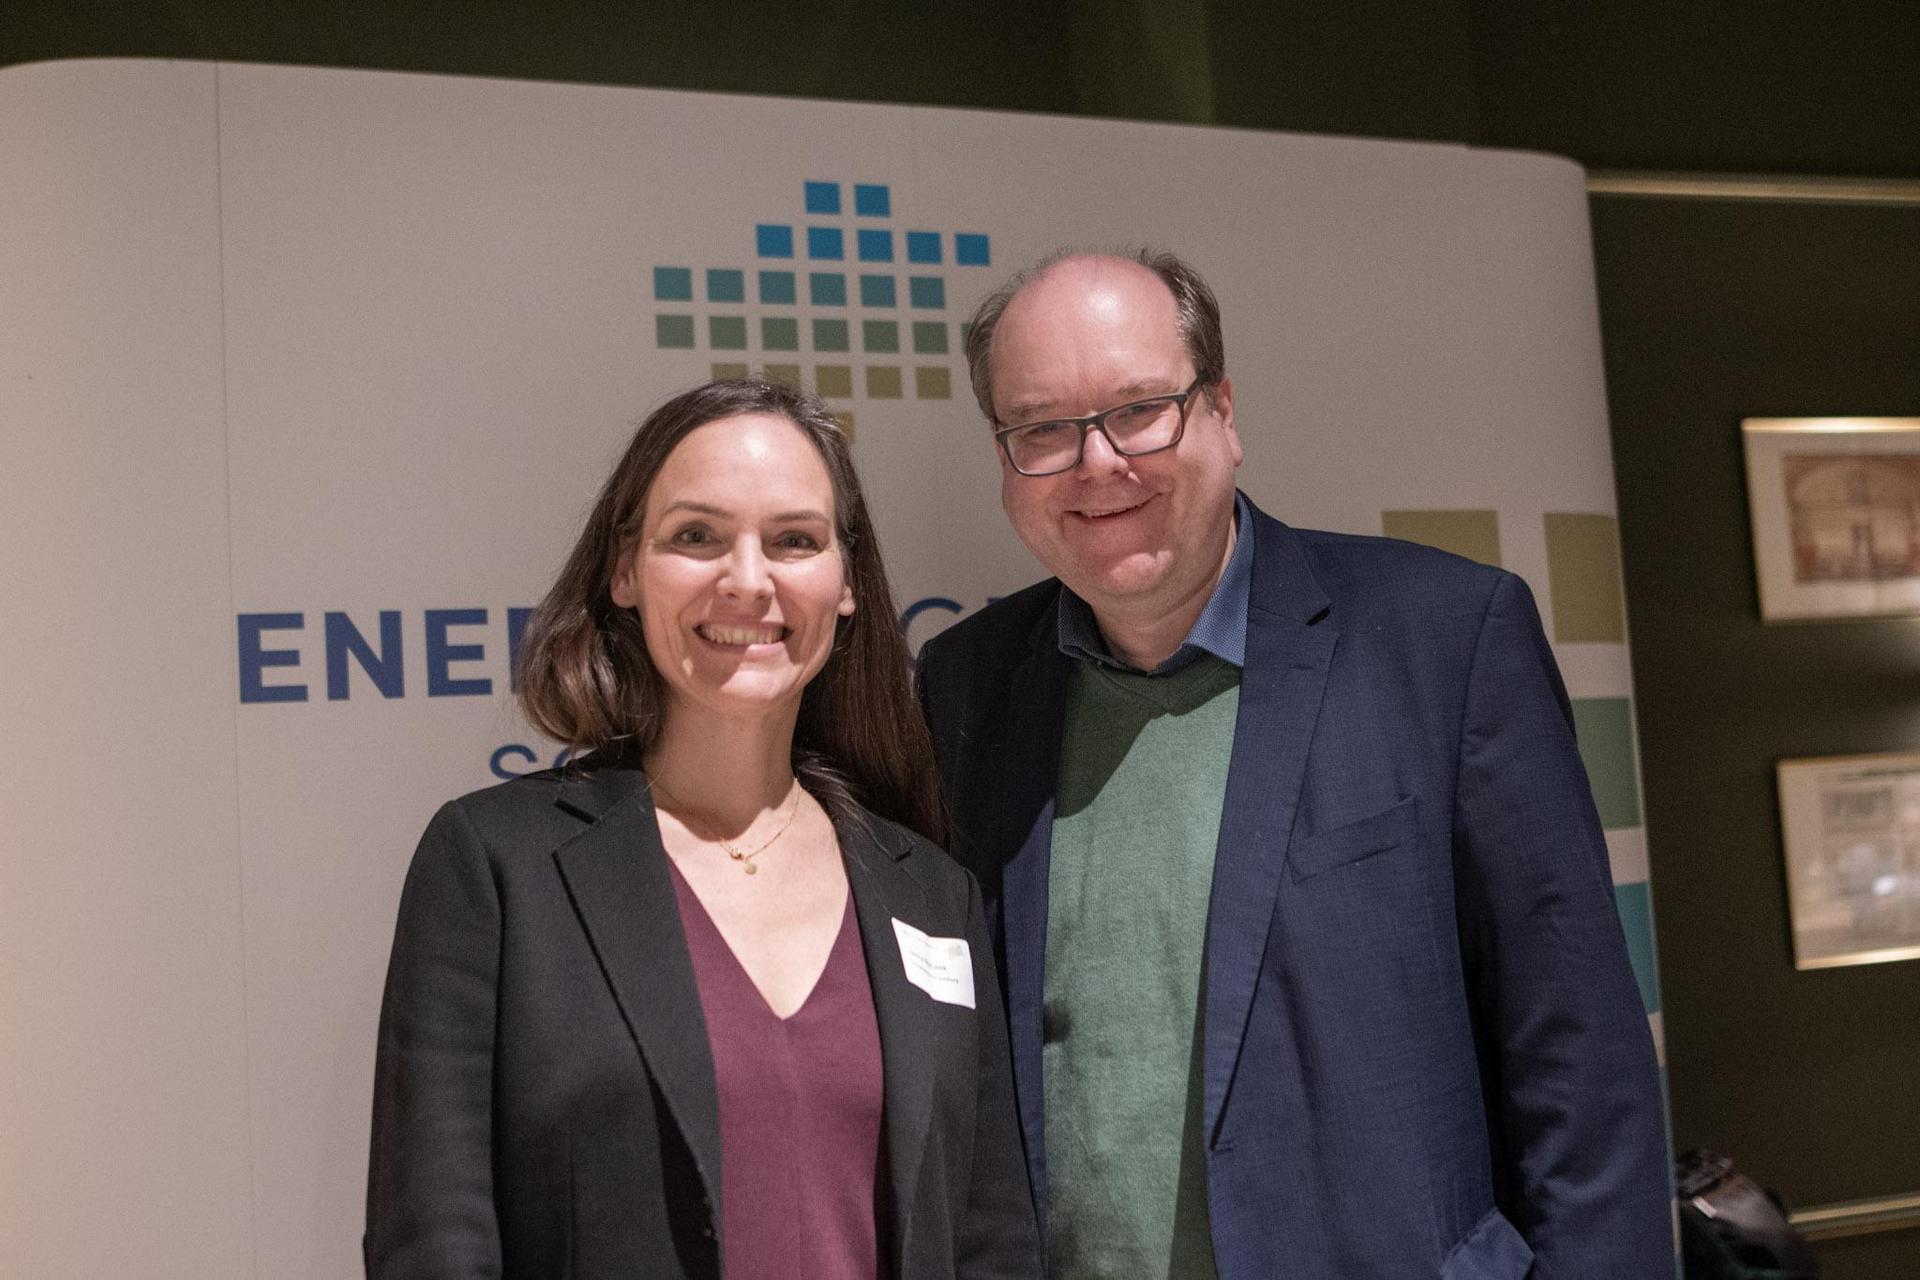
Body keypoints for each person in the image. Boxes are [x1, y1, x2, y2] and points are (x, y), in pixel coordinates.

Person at [916, 250, 1673, 1278]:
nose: (1097, 462)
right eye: (1043, 427)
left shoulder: (1443, 638)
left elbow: (1581, 1068)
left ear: (1224, 410)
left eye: (1141, 407)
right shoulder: (965, 685)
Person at [366, 379, 1041, 1279]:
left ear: (845, 585)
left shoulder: (930, 890)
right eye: (697, 537)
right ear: (624, 572)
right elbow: (434, 1243)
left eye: (795, 540)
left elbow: (991, 1241)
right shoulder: (495, 869)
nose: (748, 580)